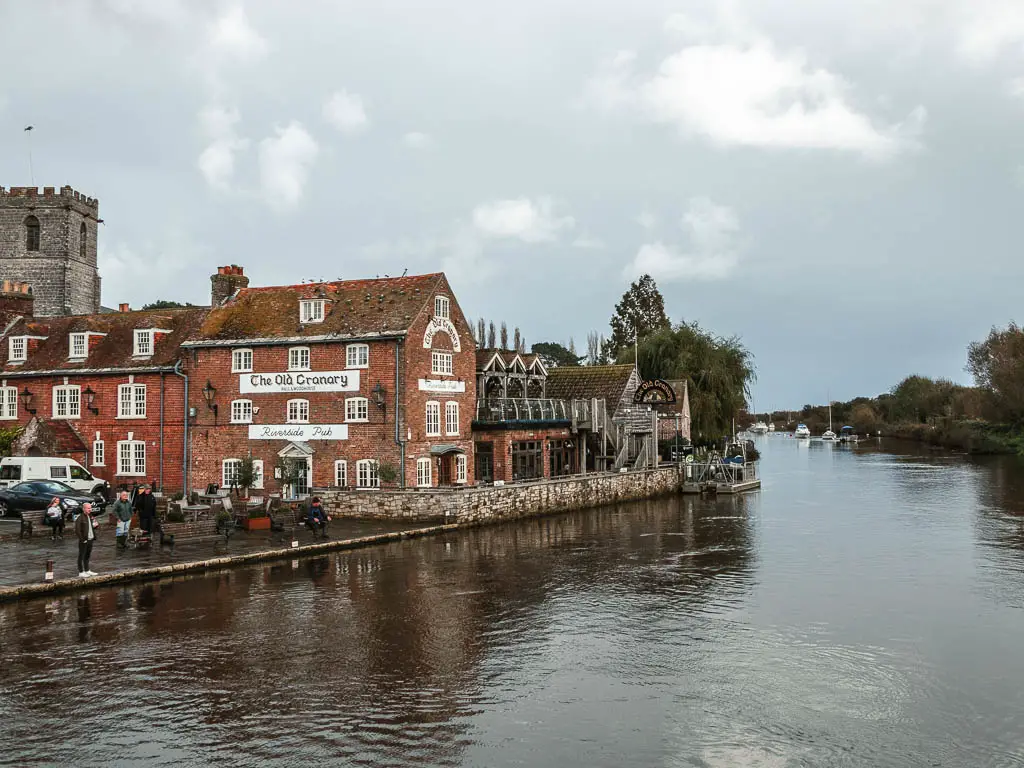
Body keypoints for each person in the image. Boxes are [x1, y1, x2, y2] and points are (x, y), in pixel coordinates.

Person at [75, 502, 99, 577]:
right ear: (84, 509)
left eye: (90, 508)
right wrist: (82, 539)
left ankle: (87, 570)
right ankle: (81, 572)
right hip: (84, 540)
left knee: (87, 555)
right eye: (88, 508)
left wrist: (96, 525)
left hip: (90, 539)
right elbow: (77, 530)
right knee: (81, 556)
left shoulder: (90, 516)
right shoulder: (80, 518)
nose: (90, 509)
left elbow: (93, 526)